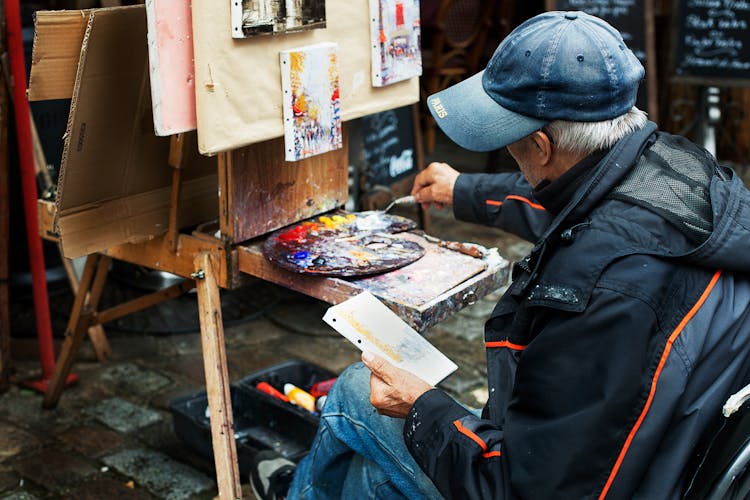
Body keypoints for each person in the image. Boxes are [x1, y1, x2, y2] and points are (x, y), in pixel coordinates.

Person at [251, 10, 750, 499]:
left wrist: (421, 405)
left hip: (610, 477)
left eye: (510, 140)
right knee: (370, 478)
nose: (509, 149)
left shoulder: (600, 289)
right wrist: (463, 189)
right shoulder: (677, 168)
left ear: (540, 145)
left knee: (359, 391)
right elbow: (573, 202)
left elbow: (517, 487)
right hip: (667, 446)